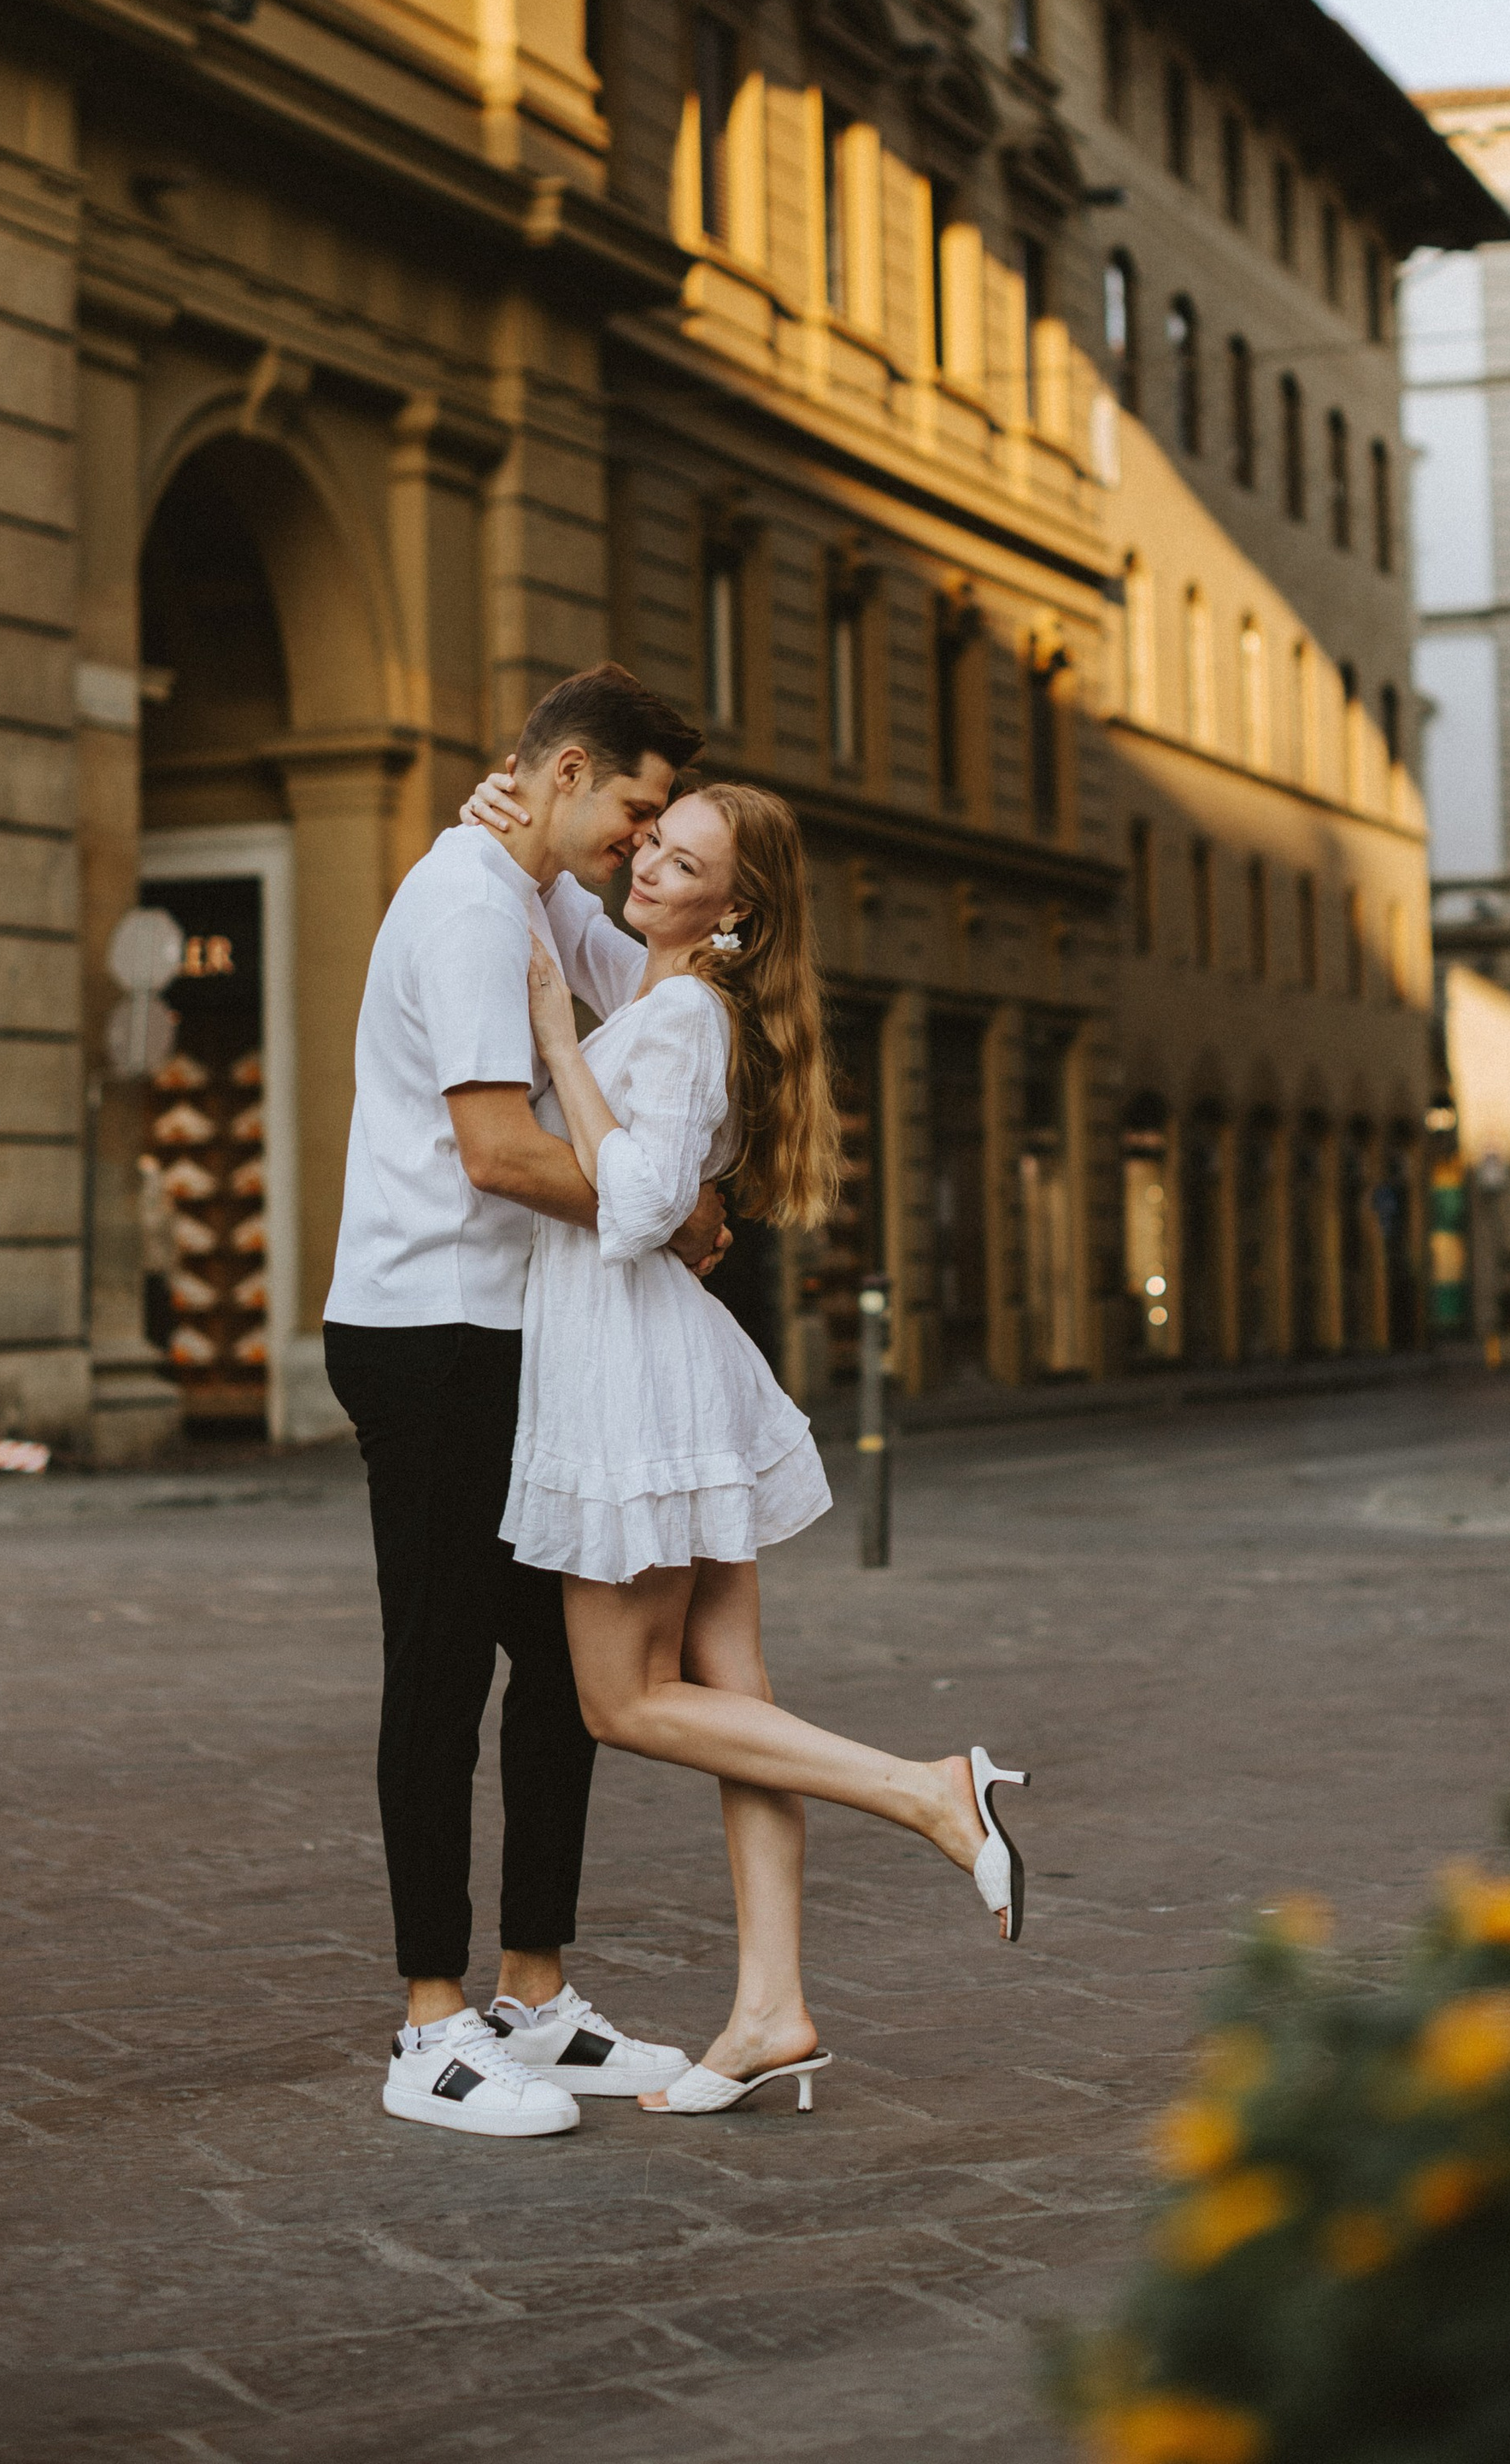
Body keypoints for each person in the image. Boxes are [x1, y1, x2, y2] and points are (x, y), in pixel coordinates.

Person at [465, 762, 1030, 2117]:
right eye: (653, 841)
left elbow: (642, 1205)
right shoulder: (661, 987)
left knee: (622, 1701)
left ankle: (929, 1791)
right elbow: (573, 916)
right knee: (739, 1709)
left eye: (685, 861)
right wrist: (510, 820)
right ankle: (772, 2005)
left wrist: (556, 1048)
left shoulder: (677, 1014)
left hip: (630, 1375)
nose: (650, 863)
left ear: (734, 912)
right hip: (663, 1365)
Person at [323, 664, 729, 2144]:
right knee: (439, 1669)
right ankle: (431, 2024)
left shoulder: (541, 891)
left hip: (512, 1332)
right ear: (566, 775)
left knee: (563, 1666)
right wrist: (667, 1216)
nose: (642, 841)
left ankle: (535, 1997)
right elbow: (495, 1149)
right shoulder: (469, 908)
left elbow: (649, 993)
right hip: (428, 1334)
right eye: (635, 810)